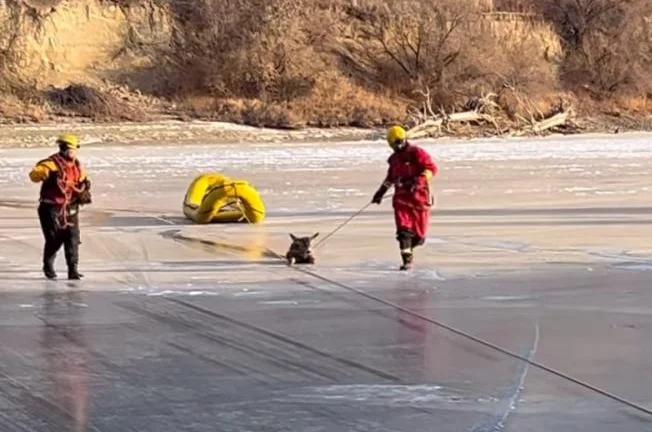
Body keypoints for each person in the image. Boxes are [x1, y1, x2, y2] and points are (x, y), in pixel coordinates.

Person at [372, 126, 438, 270]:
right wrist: (380, 192)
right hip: (401, 199)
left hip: (420, 198)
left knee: (419, 236)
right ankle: (407, 261)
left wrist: (419, 180)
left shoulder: (417, 153)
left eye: (400, 141)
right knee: (404, 230)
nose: (399, 145)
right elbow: (390, 178)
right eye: (396, 143)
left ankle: (411, 246)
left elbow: (431, 168)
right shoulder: (394, 160)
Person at [29, 134, 92, 280]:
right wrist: (45, 174)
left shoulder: (77, 167)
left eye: (73, 149)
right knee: (54, 238)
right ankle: (48, 265)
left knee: (72, 238)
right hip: (50, 208)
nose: (71, 152)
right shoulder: (50, 164)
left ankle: (73, 270)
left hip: (71, 206)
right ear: (62, 148)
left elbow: (83, 181)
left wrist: (85, 187)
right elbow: (33, 176)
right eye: (69, 149)